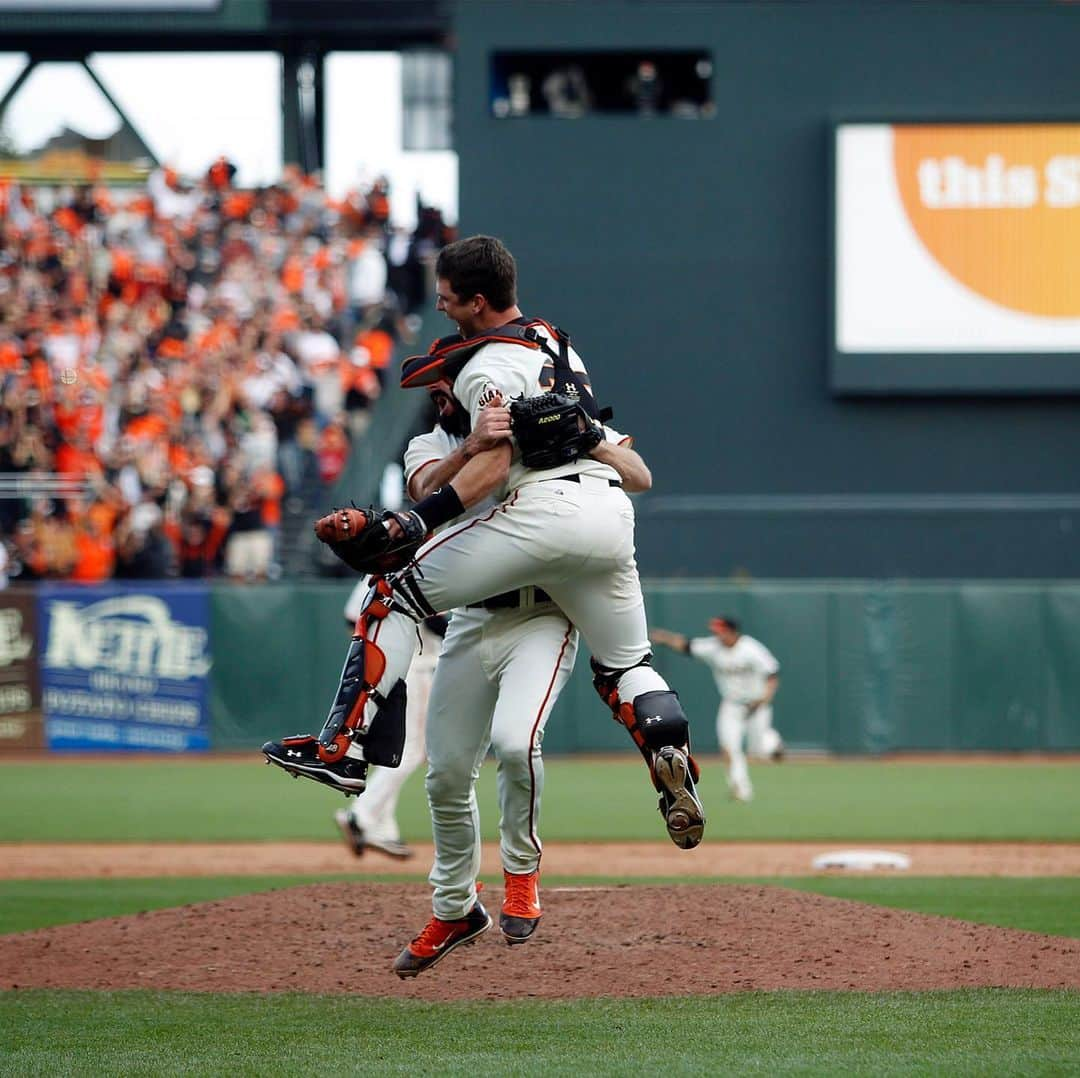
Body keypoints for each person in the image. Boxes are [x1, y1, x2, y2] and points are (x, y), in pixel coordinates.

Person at [263, 234, 705, 961]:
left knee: (508, 735)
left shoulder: (497, 370)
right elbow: (441, 479)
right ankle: (455, 906)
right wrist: (470, 450)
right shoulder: (470, 415)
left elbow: (616, 466)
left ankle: (355, 758)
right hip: (487, 605)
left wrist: (584, 435)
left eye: (445, 378)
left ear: (472, 316)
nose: (441, 391)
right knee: (446, 772)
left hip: (543, 595)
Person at [333, 579, 443, 860]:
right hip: (416, 669)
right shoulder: (419, 571)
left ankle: (383, 827)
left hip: (381, 671)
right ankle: (362, 815)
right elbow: (434, 625)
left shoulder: (375, 573)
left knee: (391, 749)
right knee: (411, 753)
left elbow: (351, 621)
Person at [651, 617, 782, 803]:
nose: (718, 634)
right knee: (729, 747)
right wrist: (664, 637)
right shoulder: (713, 647)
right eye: (716, 631)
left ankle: (773, 742)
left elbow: (773, 673)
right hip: (732, 705)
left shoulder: (751, 649)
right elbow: (686, 645)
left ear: (732, 631)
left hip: (757, 704)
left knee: (759, 750)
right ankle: (741, 789)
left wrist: (765, 699)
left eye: (721, 631)